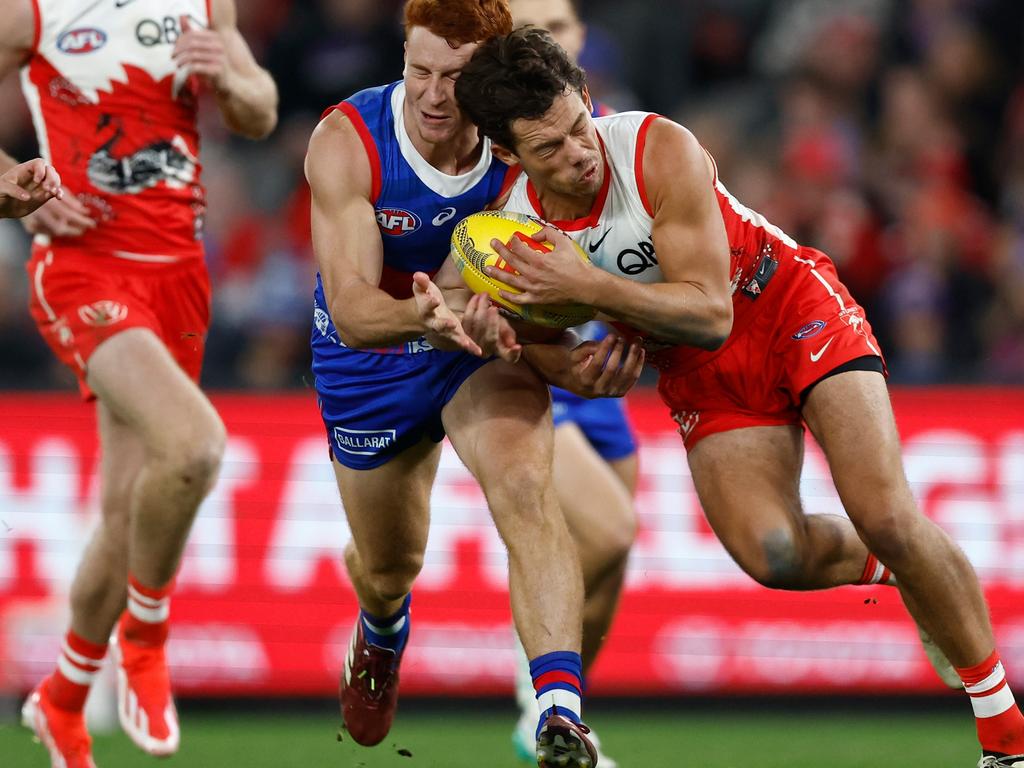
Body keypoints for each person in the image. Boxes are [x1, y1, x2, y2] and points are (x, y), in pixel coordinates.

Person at [455, 28, 1024, 768]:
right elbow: (550, 353)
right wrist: (578, 369)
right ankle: (909, 572)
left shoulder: (657, 149)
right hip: (698, 372)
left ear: (585, 98)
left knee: (883, 511)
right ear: (507, 156)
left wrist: (586, 285)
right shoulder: (517, 231)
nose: (577, 153)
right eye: (549, 148)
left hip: (787, 306)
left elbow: (711, 309)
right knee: (773, 554)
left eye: (576, 125)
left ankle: (1004, 737)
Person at [304, 2, 642, 766]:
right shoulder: (348, 141)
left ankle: (556, 712)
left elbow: (576, 273)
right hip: (372, 359)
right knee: (391, 568)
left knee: (528, 491)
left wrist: (584, 356)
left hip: (478, 347)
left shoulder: (525, 144)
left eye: (452, 78)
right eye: (416, 70)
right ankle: (383, 627)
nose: (429, 94)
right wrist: (428, 315)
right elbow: (356, 313)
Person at [0, 1, 278, 765]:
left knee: (126, 514)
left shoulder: (205, 5)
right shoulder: (30, 13)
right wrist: (11, 184)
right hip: (85, 265)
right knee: (195, 447)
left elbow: (260, 111)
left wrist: (229, 74)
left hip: (182, 279)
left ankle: (60, 699)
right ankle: (147, 643)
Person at [505, 2, 637, 765]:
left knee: (613, 553)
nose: (550, 39)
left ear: (583, 37)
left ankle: (560, 705)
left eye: (560, 24)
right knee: (611, 527)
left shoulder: (605, 130)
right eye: (531, 28)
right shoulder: (500, 144)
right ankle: (537, 694)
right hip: (529, 365)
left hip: (597, 361)